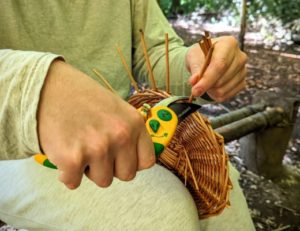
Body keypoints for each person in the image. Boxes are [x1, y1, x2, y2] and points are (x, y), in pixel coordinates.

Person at [0, 0, 254, 230]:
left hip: (123, 132)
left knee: (220, 186)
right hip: (17, 146)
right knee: (162, 213)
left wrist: (199, 68)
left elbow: (153, 50)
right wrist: (33, 89)